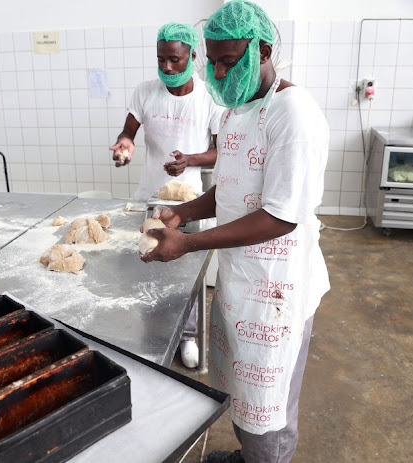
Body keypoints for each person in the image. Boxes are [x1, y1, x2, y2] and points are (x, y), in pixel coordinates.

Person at [141, 1, 330, 462]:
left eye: (231, 61)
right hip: (240, 278)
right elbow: (227, 187)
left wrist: (188, 244)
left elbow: (281, 216)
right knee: (241, 394)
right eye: (215, 62)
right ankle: (248, 457)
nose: (221, 74)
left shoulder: (293, 114)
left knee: (269, 406)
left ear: (263, 51)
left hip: (275, 289)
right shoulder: (234, 111)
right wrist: (182, 212)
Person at [110, 22, 225, 369]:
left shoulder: (209, 97)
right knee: (148, 264)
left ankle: (187, 336)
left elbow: (221, 151)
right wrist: (125, 144)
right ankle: (154, 331)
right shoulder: (146, 92)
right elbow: (129, 130)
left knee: (184, 272)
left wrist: (191, 159)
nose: (166, 68)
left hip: (189, 201)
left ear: (191, 55)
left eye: (174, 59)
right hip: (150, 196)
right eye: (161, 60)